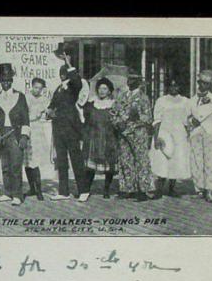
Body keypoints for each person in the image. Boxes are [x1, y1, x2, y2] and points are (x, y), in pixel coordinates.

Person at [47, 46, 90, 202]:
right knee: (62, 161)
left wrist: (68, 62)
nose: (62, 76)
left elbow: (77, 81)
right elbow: (51, 104)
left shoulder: (74, 86)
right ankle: (63, 191)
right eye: (61, 74)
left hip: (71, 128)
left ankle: (84, 190)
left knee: (76, 159)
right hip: (58, 128)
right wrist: (49, 111)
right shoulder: (58, 89)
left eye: (64, 73)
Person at [0, 63, 30, 206]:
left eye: (8, 81)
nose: (5, 83)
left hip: (15, 134)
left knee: (16, 165)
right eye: (3, 81)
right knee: (5, 165)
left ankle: (17, 195)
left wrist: (24, 136)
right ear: (0, 81)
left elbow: (25, 119)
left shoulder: (20, 96)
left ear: (11, 80)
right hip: (2, 134)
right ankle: (7, 192)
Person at [110, 72, 154, 202]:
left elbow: (149, 118)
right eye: (129, 79)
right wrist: (118, 123)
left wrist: (138, 118)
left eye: (134, 80)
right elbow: (113, 112)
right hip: (123, 132)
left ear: (139, 82)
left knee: (141, 160)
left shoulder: (143, 98)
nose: (130, 81)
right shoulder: (121, 96)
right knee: (125, 160)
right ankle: (128, 188)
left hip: (138, 133)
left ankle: (144, 189)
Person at [186, 70, 212, 203]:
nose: (204, 86)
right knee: (197, 161)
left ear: (210, 85)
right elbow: (186, 118)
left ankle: (210, 190)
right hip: (196, 133)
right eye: (202, 83)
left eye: (207, 84)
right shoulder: (191, 101)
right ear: (198, 83)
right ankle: (200, 189)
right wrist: (192, 122)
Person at [150, 79, 191, 198]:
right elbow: (157, 119)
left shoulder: (185, 101)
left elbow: (187, 120)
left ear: (179, 87)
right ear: (168, 87)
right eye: (171, 85)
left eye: (176, 85)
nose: (174, 88)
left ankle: (172, 189)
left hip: (179, 134)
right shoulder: (161, 101)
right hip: (164, 132)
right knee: (162, 160)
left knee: (176, 160)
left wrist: (188, 134)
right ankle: (159, 190)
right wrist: (157, 137)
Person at [81, 77, 118, 199]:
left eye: (105, 89)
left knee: (108, 166)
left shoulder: (114, 105)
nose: (102, 91)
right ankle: (86, 189)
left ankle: (106, 189)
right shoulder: (91, 104)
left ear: (109, 91)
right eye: (100, 88)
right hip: (93, 138)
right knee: (90, 166)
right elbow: (85, 120)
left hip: (108, 138)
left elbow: (117, 122)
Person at [23, 77, 50, 200]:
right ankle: (32, 188)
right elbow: (22, 114)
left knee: (35, 161)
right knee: (27, 161)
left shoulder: (44, 100)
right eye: (35, 87)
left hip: (37, 130)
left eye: (39, 88)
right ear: (31, 86)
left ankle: (39, 190)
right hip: (27, 128)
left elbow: (48, 113)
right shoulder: (25, 98)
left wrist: (45, 114)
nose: (37, 90)